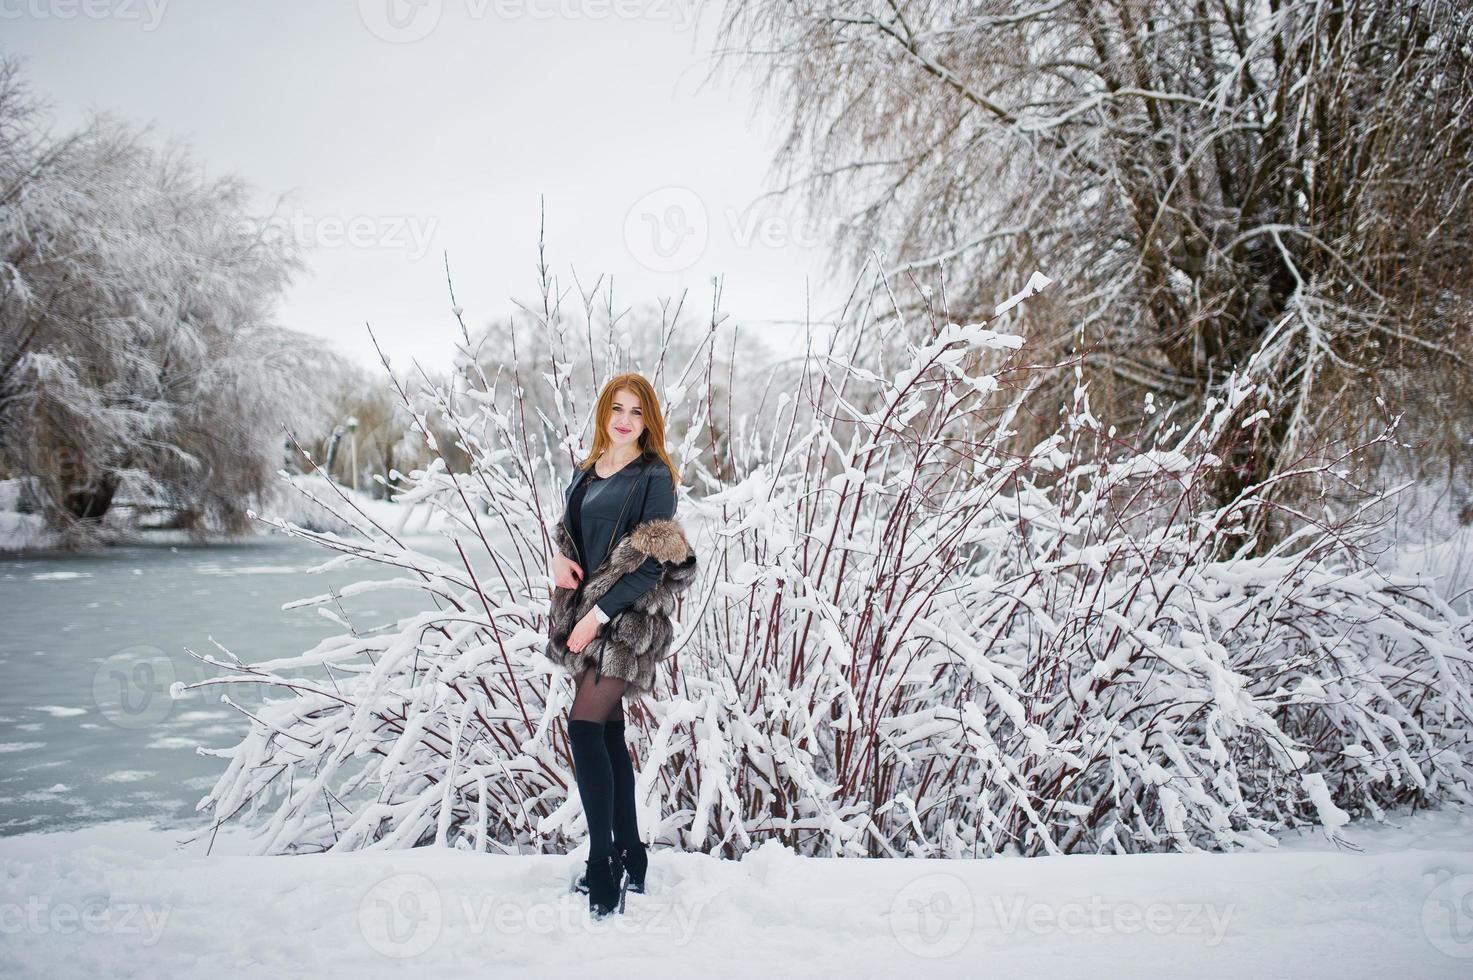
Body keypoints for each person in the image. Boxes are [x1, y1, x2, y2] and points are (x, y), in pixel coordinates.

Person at [545, 372, 697, 919]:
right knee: (606, 733)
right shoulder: (587, 472)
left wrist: (598, 617)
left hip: (628, 619)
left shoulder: (654, 476)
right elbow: (570, 532)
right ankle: (632, 851)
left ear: (648, 420)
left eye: (637, 411)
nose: (625, 420)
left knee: (584, 726)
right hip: (585, 611)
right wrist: (557, 558)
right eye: (617, 408)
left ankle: (602, 861)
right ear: (604, 413)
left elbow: (656, 561)